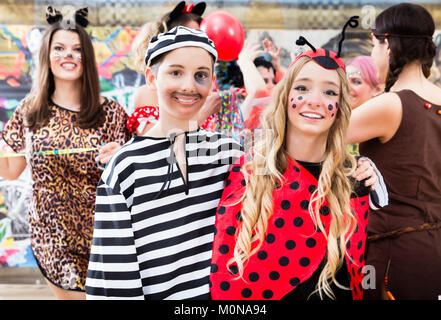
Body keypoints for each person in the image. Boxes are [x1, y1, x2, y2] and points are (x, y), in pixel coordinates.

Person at [209, 36, 387, 300]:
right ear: (285, 98)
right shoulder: (248, 173)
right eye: (302, 88)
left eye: (329, 92)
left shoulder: (355, 178)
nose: (315, 100)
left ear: (339, 107)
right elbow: (227, 277)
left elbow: (355, 276)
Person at [85, 26, 243, 300]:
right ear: (151, 77)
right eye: (176, 72)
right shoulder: (125, 167)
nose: (189, 86)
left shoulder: (228, 154)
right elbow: (113, 278)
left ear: (212, 82)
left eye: (201, 75)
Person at [0, 7, 131, 300]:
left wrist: (123, 152)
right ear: (47, 55)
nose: (68, 55)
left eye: (76, 49)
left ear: (87, 57)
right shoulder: (30, 110)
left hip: (103, 233)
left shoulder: (109, 112)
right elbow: (10, 169)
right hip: (53, 237)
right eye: (59, 48)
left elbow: (136, 169)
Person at [347, 3, 441, 300]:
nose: (373, 54)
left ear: (387, 46)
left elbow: (316, 139)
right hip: (433, 245)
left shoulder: (391, 104)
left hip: (393, 251)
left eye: (374, 44)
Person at [130, 1, 220, 136]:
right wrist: (202, 114)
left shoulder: (204, 91)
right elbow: (153, 147)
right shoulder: (147, 93)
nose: (198, 43)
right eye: (191, 36)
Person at [345, 56, 383, 155]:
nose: (346, 87)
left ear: (377, 90)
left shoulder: (381, 123)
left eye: (356, 81)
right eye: (344, 81)